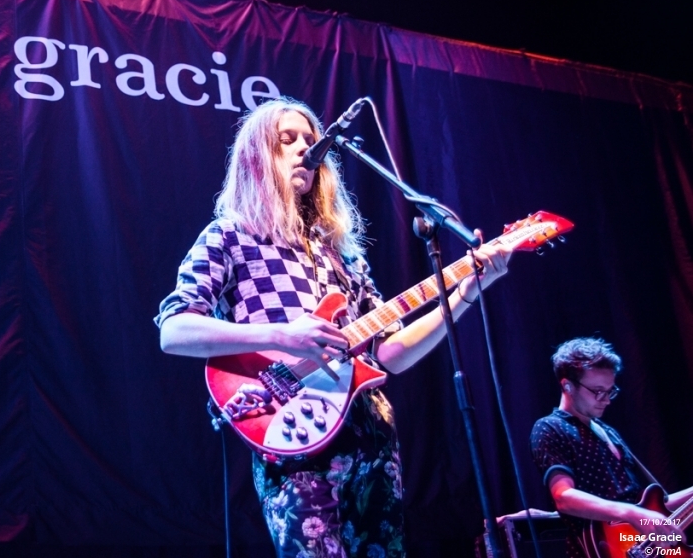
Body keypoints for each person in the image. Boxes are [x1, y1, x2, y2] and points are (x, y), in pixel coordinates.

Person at [154, 97, 511, 558]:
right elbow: (175, 330)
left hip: (370, 436)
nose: (306, 147)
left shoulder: (344, 255)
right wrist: (280, 335)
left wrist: (465, 292)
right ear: (258, 156)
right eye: (288, 139)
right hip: (291, 434)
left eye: (310, 138)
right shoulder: (230, 235)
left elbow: (391, 353)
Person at [530, 337, 692, 558]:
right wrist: (632, 513)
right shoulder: (550, 427)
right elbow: (564, 497)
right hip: (602, 548)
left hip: (632, 542)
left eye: (609, 391)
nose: (606, 400)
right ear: (567, 385)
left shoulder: (609, 432)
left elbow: (650, 508)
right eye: (597, 391)